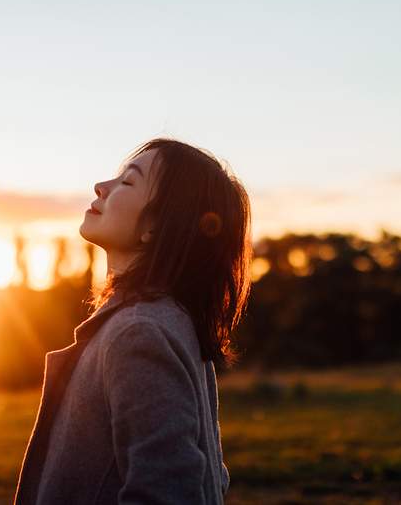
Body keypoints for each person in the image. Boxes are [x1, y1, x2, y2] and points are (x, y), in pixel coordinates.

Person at [14, 138, 252, 504]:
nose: (101, 187)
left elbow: (170, 492)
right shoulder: (170, 319)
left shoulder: (139, 333)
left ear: (156, 227)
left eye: (127, 182)